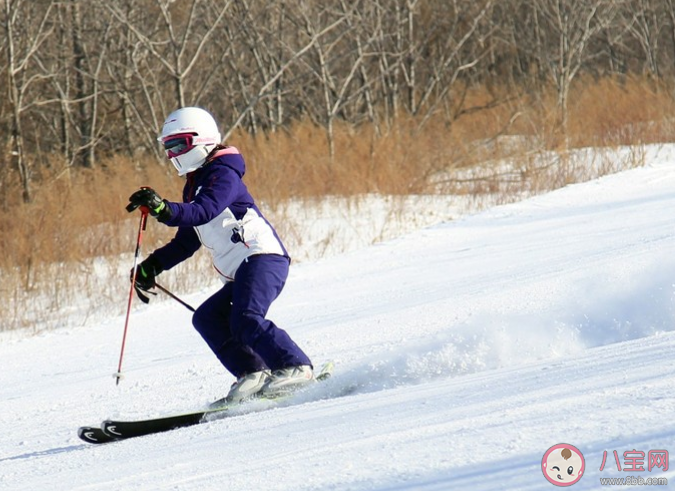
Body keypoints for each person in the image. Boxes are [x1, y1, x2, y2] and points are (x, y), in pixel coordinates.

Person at [126, 106, 313, 403]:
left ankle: (296, 367)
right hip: (242, 269)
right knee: (208, 318)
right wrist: (151, 266)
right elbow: (186, 242)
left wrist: (164, 209)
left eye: (178, 145)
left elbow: (205, 210)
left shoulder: (223, 174)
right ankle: (253, 374)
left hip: (263, 259)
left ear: (201, 140)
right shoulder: (194, 186)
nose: (172, 154)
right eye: (167, 147)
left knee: (245, 318)